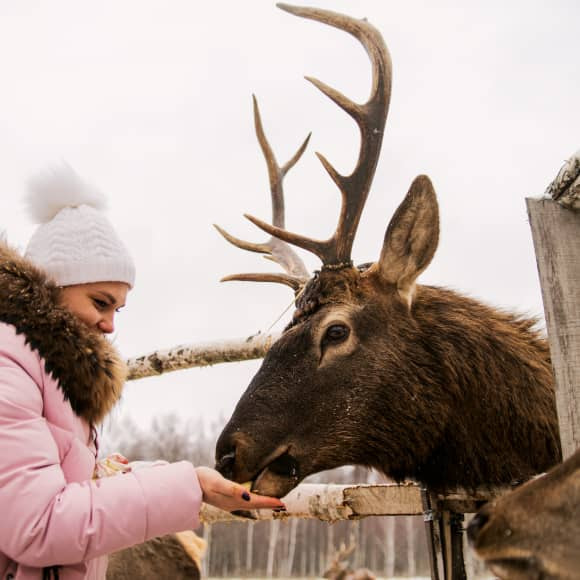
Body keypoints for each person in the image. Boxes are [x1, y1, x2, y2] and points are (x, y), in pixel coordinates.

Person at [0, 166, 284, 580]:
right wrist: (190, 488)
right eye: (100, 302)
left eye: (118, 309)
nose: (111, 325)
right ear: (49, 289)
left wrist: (148, 475)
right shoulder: (9, 367)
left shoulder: (49, 374)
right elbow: (39, 526)